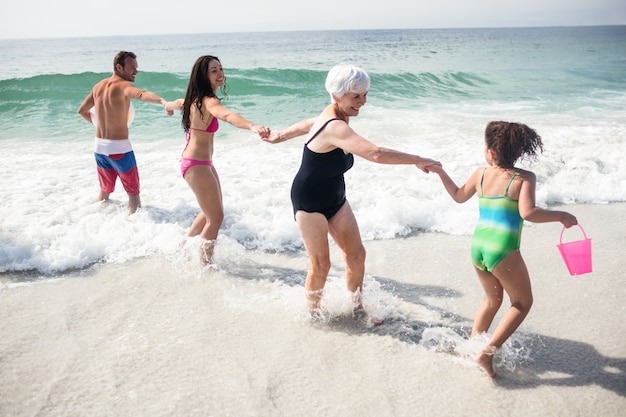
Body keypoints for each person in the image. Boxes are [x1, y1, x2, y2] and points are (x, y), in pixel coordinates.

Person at [263, 64, 440, 319]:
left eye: (365, 94)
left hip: (335, 197)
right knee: (321, 265)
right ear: (337, 95)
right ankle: (312, 315)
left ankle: (357, 308)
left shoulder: (334, 117)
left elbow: (306, 124)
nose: (363, 101)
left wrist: (280, 135)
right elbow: (375, 153)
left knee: (356, 255)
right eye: (356, 96)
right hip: (309, 200)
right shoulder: (335, 126)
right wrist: (417, 159)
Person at [429, 121, 578, 377]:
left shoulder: (480, 174)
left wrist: (440, 172)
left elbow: (457, 195)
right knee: (522, 303)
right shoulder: (524, 178)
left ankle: (471, 347)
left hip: (478, 247)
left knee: (492, 300)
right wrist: (562, 215)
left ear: (491, 153)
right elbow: (528, 213)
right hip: (503, 250)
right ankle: (486, 354)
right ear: (518, 152)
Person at [165, 55, 270, 264]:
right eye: (214, 70)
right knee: (216, 217)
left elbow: (177, 103)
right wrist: (252, 126)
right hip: (196, 165)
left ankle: (182, 247)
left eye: (220, 69)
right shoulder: (209, 101)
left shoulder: (193, 99)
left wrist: (168, 106)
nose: (220, 73)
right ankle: (205, 266)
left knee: (210, 211)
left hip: (198, 164)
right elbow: (227, 116)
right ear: (204, 76)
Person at [78, 51, 175, 214]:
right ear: (119, 67)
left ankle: (96, 220)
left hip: (100, 149)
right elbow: (141, 94)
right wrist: (162, 102)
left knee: (104, 192)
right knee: (133, 195)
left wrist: (101, 124)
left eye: (136, 67)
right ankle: (134, 229)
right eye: (132, 67)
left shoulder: (98, 86)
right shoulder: (124, 86)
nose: (136, 71)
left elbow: (82, 111)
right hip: (120, 150)